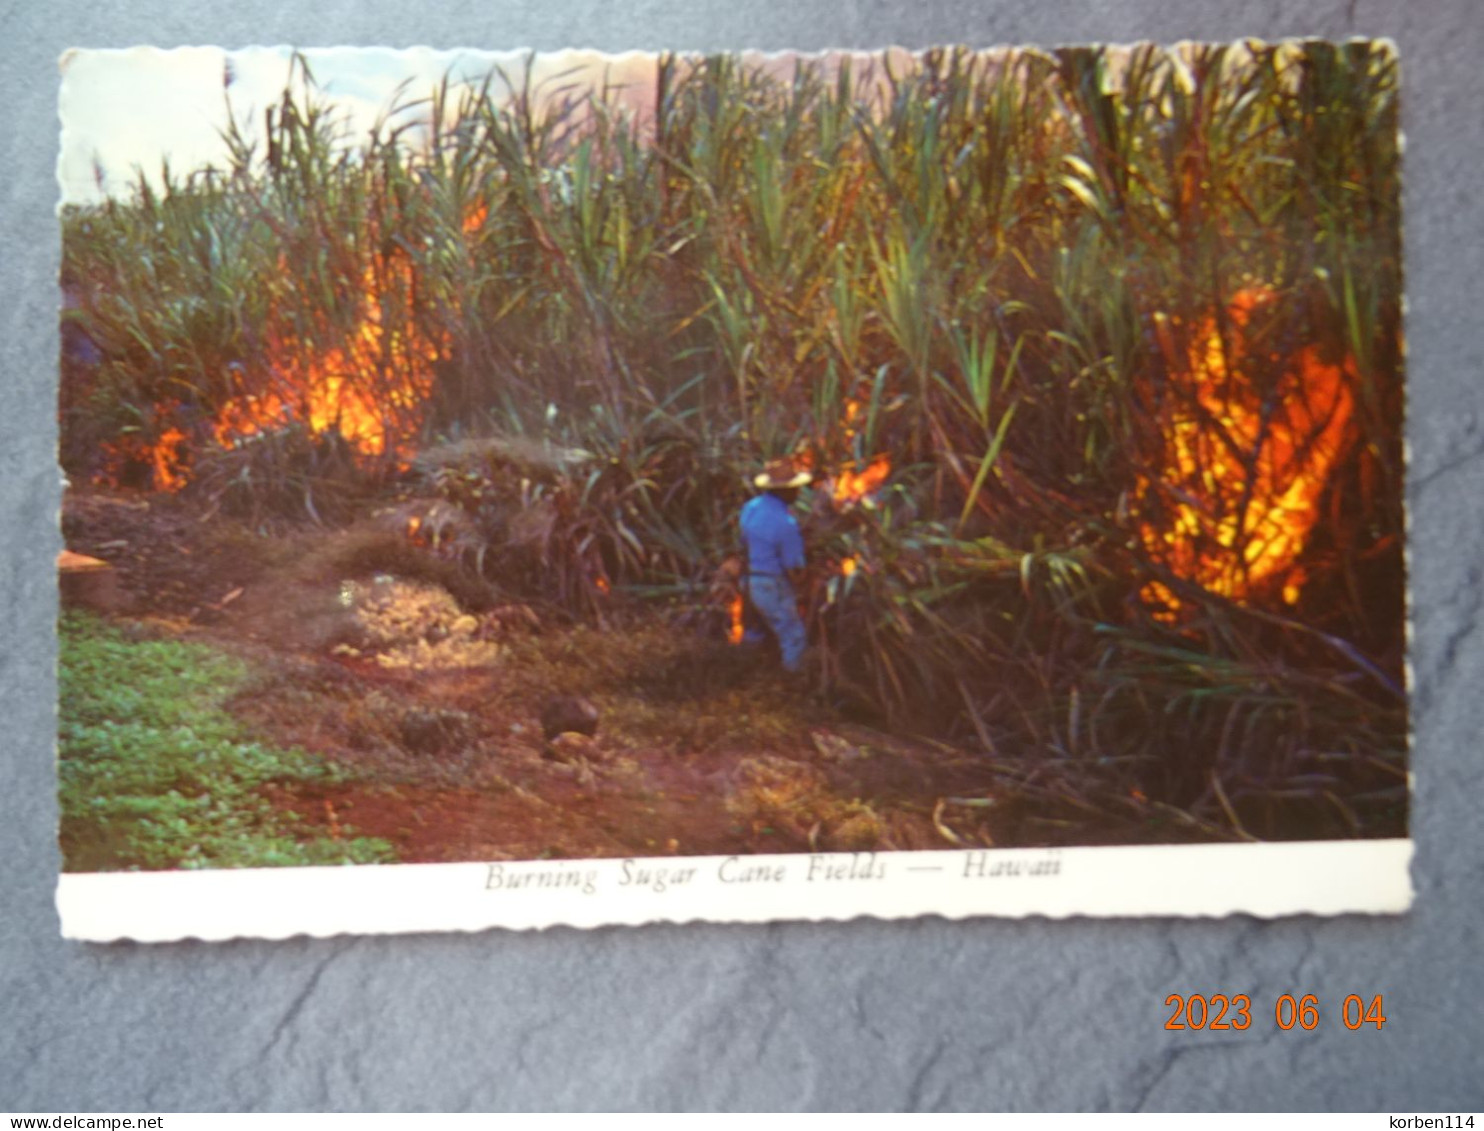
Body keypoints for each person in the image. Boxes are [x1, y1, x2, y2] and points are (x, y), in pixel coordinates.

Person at [739, 458, 811, 673]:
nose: (798, 492)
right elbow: (793, 567)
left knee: (754, 631)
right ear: (784, 492)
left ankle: (742, 676)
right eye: (794, 488)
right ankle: (791, 684)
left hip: (748, 580)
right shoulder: (785, 523)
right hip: (771, 585)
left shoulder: (750, 507)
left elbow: (743, 541)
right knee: (794, 636)